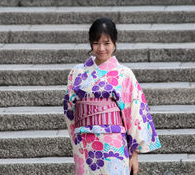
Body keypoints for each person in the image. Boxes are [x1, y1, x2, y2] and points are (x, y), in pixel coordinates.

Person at [63, 18, 161, 174]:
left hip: (113, 142)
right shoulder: (77, 73)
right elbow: (70, 112)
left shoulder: (124, 74)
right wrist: (76, 138)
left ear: (115, 43)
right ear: (90, 43)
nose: (101, 48)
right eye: (96, 42)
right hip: (84, 143)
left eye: (106, 43)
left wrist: (133, 154)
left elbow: (134, 113)